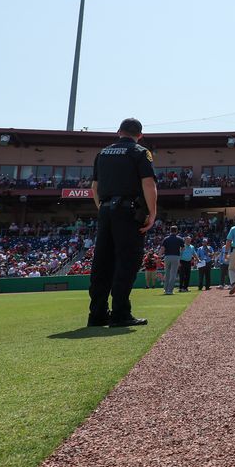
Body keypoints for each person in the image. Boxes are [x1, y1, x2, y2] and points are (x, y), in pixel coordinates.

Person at [87, 117, 157, 327]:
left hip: (106, 211)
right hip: (127, 213)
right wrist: (152, 213)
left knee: (102, 262)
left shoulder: (103, 153)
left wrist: (103, 209)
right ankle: (120, 313)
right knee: (127, 261)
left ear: (119, 131)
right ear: (140, 135)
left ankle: (97, 314)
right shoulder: (140, 152)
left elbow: (94, 188)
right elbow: (148, 183)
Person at [161, 225, 184, 295]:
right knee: (173, 274)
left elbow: (162, 249)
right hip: (175, 257)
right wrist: (179, 253)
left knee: (167, 273)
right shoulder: (179, 238)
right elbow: (183, 248)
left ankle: (165, 289)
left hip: (167, 257)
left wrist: (159, 256)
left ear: (170, 230)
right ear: (176, 231)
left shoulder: (166, 239)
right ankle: (169, 291)